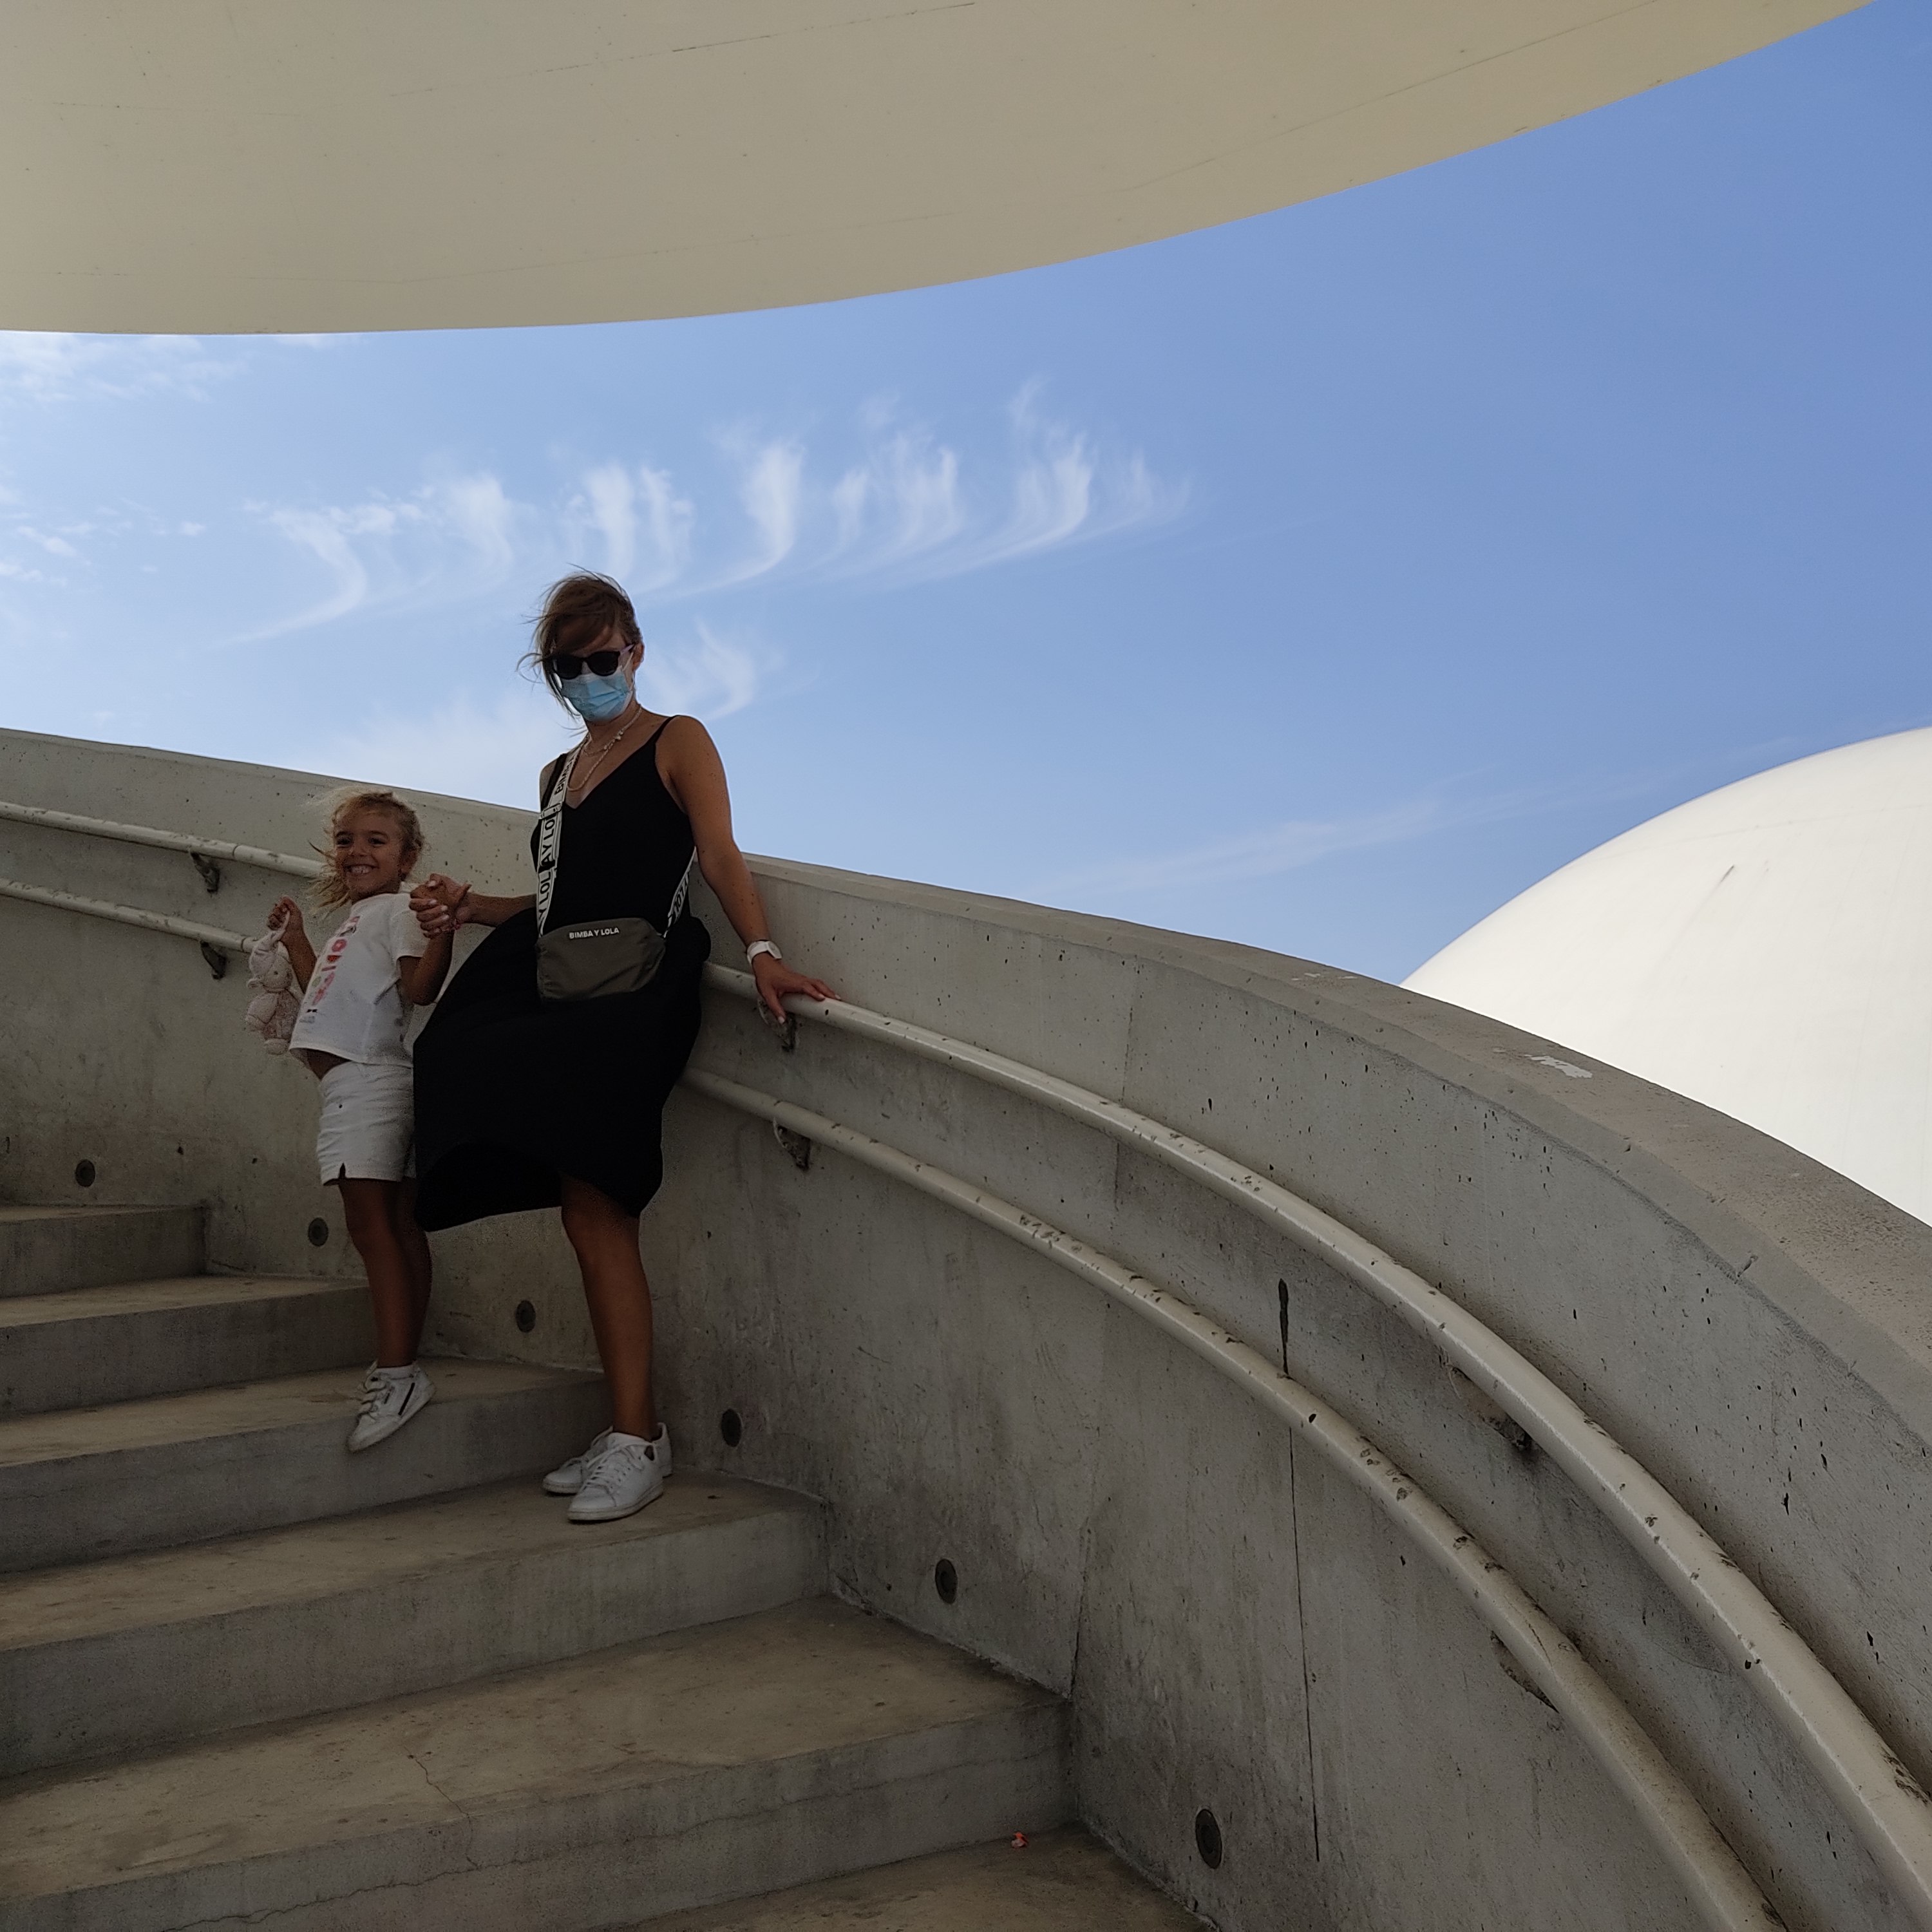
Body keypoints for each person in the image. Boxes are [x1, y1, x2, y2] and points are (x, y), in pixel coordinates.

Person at [409, 573, 834, 1524]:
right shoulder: (555, 777)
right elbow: (560, 905)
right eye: (568, 668)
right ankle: (629, 1431)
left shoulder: (678, 738)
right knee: (482, 1093)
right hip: (566, 980)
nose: (588, 679)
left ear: (635, 651)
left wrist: (764, 951)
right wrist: (474, 908)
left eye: (602, 658)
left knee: (599, 1205)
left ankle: (637, 1440)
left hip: (639, 985)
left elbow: (718, 854)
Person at [270, 790, 453, 1452]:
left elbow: (419, 989)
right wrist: (297, 941)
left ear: (408, 856)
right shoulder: (362, 918)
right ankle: (402, 1360)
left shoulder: (400, 910)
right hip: (362, 1083)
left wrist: (443, 931)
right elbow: (324, 991)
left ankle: (398, 1374)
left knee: (372, 1226)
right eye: (347, 840)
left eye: (377, 840)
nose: (357, 851)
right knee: (396, 1223)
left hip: (368, 1082)